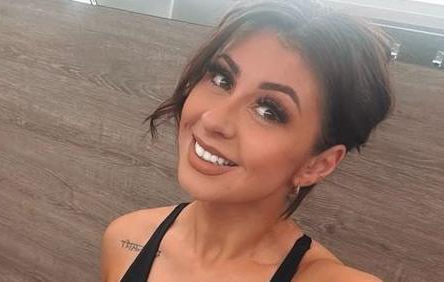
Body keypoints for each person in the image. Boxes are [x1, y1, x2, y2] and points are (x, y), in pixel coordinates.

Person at [101, 0, 393, 281]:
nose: (213, 119)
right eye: (221, 79)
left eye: (269, 111)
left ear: (317, 165)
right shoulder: (126, 238)